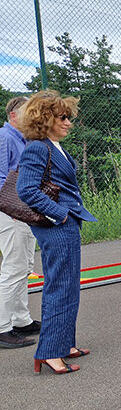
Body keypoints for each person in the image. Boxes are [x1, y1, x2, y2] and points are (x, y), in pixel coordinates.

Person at [17, 90, 97, 373]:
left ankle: (65, 344)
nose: (68, 122)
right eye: (62, 117)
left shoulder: (54, 146)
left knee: (69, 285)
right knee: (59, 287)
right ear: (46, 118)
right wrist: (60, 214)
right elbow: (25, 189)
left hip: (66, 224)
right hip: (56, 226)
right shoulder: (38, 147)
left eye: (69, 117)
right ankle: (50, 351)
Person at [0, 96, 40, 349]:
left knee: (24, 265)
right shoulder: (5, 137)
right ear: (14, 115)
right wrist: (10, 207)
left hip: (23, 210)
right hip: (10, 211)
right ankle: (3, 327)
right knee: (13, 267)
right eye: (28, 112)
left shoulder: (23, 138)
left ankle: (21, 320)